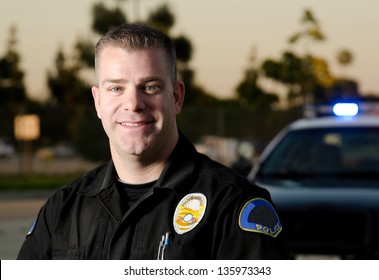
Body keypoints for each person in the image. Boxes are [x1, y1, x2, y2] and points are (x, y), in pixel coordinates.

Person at [17, 23, 290, 260]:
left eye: (150, 87)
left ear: (177, 97)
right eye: (116, 88)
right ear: (98, 102)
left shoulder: (232, 206)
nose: (133, 104)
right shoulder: (62, 210)